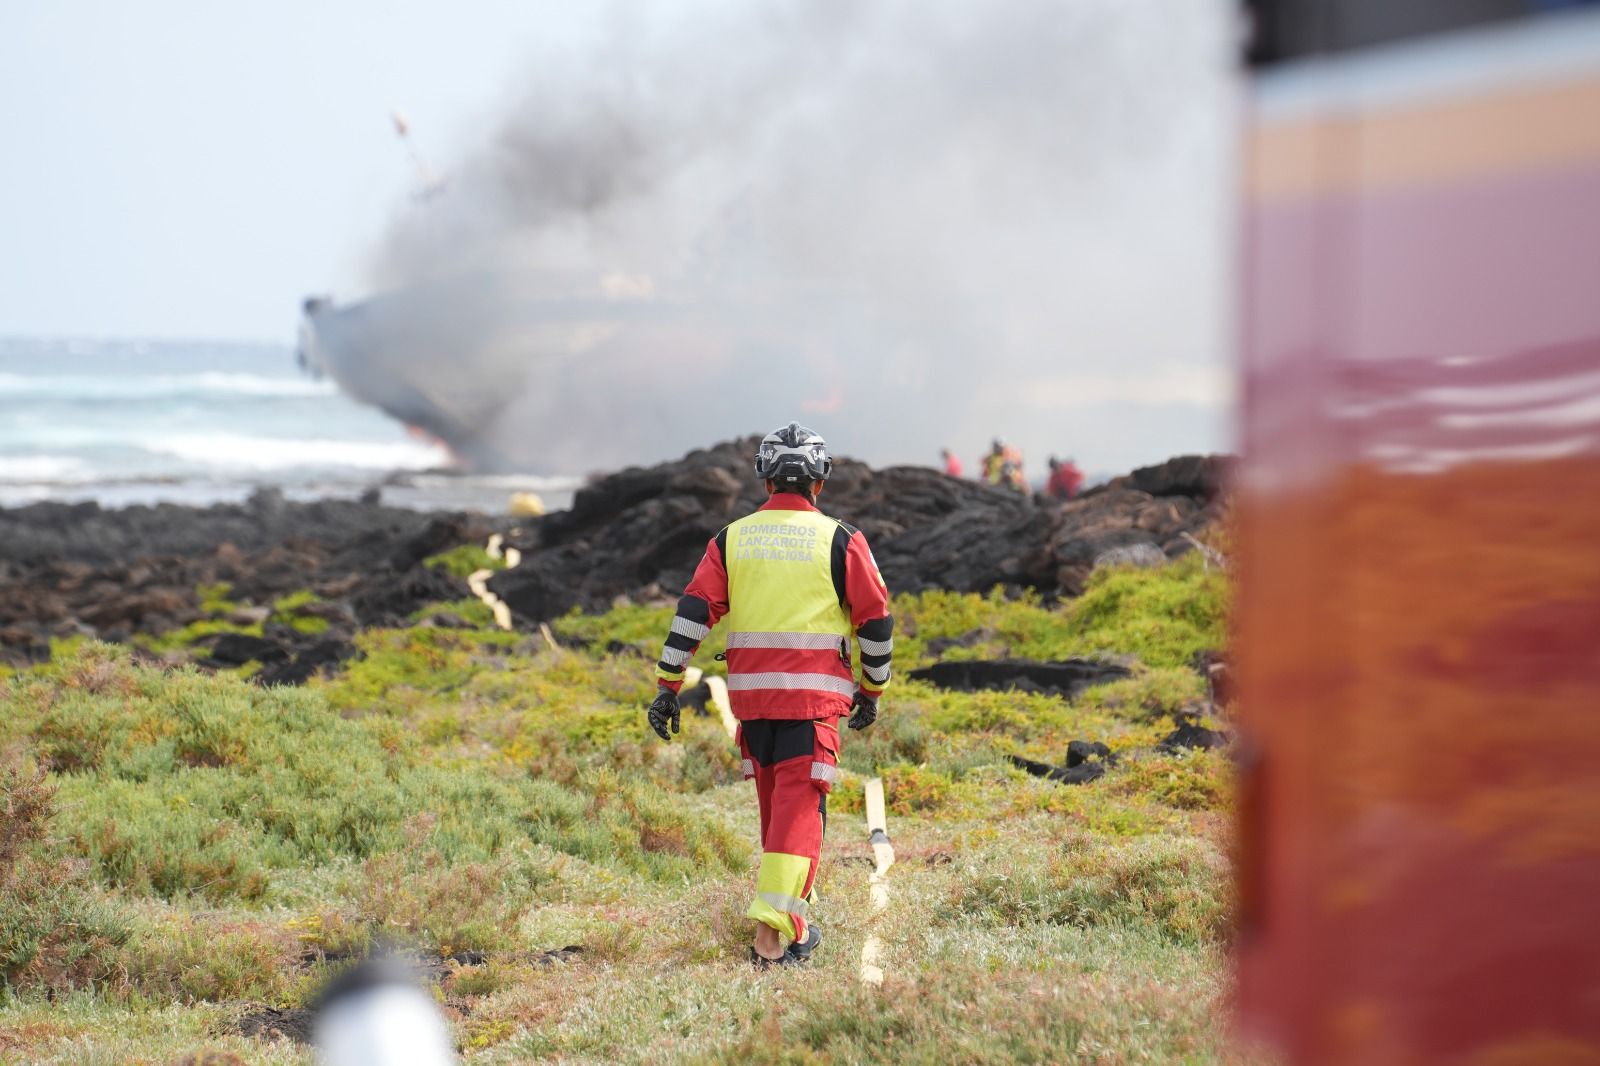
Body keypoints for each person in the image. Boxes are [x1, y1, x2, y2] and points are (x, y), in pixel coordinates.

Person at [647, 423, 894, 969]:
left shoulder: (731, 539)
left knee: (777, 819)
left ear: (764, 480)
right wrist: (873, 690)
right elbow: (876, 623)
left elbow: (691, 615)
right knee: (798, 819)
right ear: (820, 482)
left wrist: (667, 687)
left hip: (751, 707)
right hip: (814, 707)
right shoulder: (842, 540)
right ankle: (769, 940)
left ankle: (794, 921)